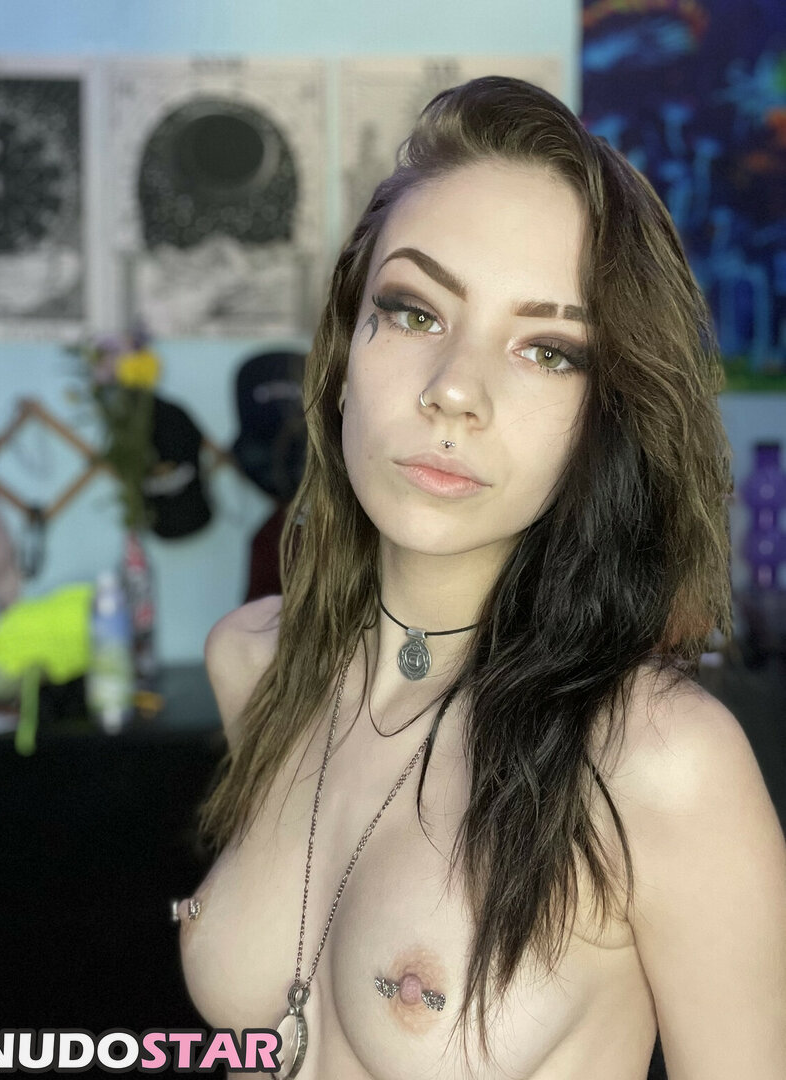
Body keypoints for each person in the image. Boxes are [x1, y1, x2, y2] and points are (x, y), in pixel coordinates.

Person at [177, 77, 786, 1080]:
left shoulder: (655, 763)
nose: (455, 390)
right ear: (343, 351)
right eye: (414, 312)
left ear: (604, 416)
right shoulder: (256, 664)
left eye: (547, 350)